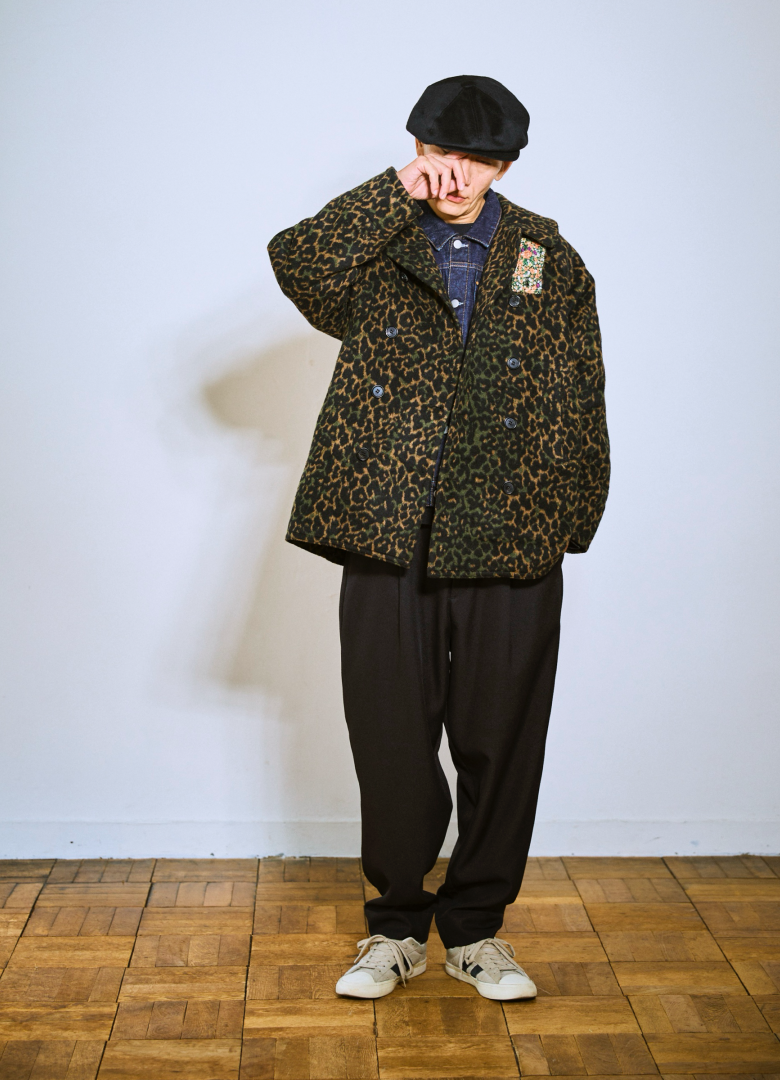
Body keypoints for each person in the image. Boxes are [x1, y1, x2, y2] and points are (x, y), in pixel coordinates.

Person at [268, 75, 609, 1001]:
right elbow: (296, 264)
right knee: (390, 736)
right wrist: (390, 194)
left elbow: (582, 389)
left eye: (479, 162)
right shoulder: (375, 244)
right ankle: (394, 929)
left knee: (502, 740)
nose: (457, 177)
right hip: (389, 526)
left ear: (505, 168)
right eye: (440, 156)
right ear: (416, 149)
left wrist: (570, 519)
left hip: (511, 529)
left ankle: (477, 932)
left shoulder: (546, 256)